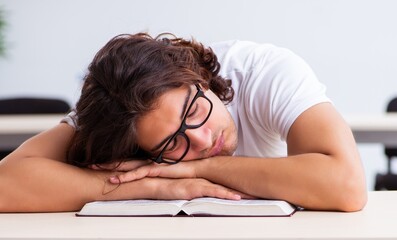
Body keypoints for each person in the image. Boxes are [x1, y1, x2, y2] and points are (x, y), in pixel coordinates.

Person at [0, 32, 367, 212]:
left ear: (198, 77)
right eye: (171, 144)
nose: (203, 139)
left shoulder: (263, 71)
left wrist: (199, 170)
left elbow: (346, 186)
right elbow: (6, 183)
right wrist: (149, 187)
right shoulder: (118, 110)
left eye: (192, 111)